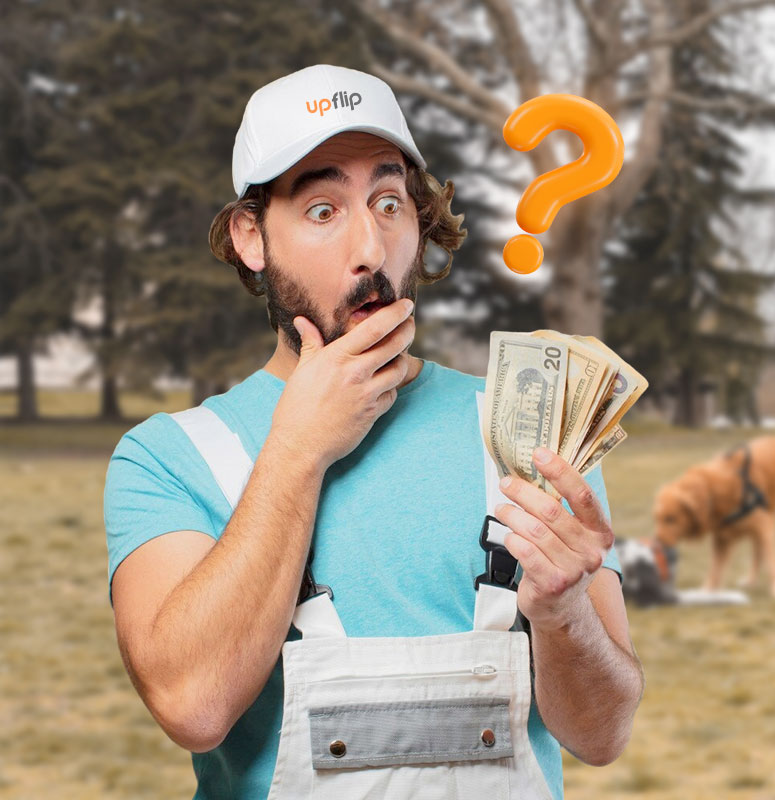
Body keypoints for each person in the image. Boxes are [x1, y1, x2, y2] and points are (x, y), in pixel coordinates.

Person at [103, 64, 643, 800]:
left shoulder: (535, 433)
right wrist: (297, 448)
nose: (370, 247)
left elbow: (602, 735)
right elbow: (193, 707)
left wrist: (564, 613)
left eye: (389, 202)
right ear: (251, 236)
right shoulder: (170, 457)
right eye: (322, 210)